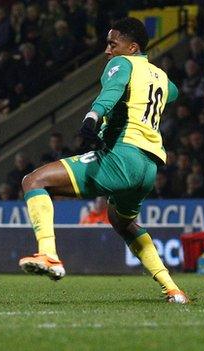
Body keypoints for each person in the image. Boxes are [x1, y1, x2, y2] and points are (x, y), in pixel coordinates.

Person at [18, 17, 188, 304]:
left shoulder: (123, 64)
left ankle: (49, 254)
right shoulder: (159, 75)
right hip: (149, 168)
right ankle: (173, 289)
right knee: (122, 221)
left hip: (123, 157)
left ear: (132, 47)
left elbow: (111, 91)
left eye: (113, 43)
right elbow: (173, 93)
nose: (107, 51)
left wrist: (93, 118)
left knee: (34, 180)